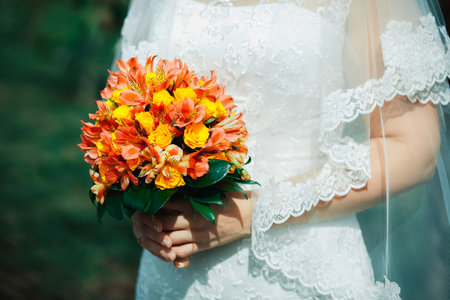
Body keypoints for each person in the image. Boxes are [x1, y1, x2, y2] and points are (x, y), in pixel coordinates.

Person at [120, 0, 450, 299]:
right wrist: (145, 206)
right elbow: (130, 111)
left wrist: (251, 212)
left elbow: (414, 147)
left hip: (299, 276)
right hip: (171, 279)